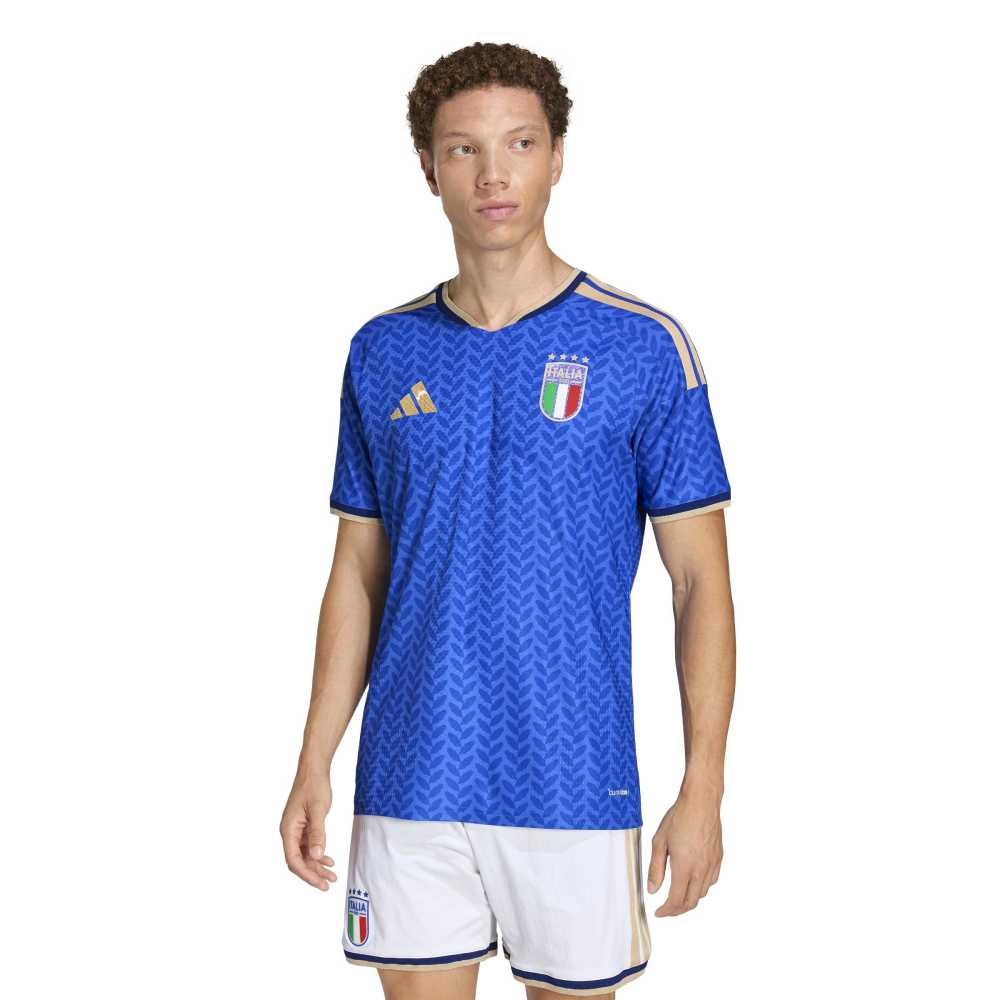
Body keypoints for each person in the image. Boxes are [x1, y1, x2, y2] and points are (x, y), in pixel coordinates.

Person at [280, 40, 736, 1000]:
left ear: (557, 156)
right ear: (428, 167)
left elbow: (700, 582)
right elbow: (357, 571)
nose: (494, 174)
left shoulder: (642, 346)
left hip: (573, 777)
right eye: (464, 149)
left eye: (520, 143)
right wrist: (314, 756)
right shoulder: (381, 351)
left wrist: (704, 786)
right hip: (411, 773)